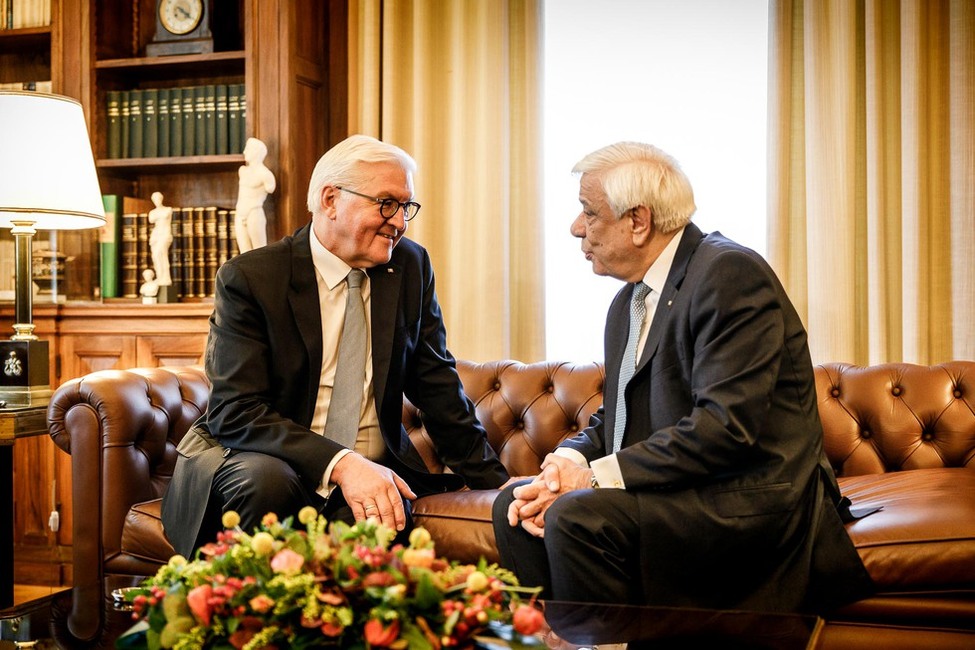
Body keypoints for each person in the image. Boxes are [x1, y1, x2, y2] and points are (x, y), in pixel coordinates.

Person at [492, 142, 874, 614]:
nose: (576, 229)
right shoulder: (628, 303)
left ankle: (614, 644)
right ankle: (563, 644)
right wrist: (564, 461)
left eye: (588, 213)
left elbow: (725, 429)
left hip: (744, 500)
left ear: (638, 221)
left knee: (576, 515)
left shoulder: (729, 273)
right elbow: (619, 416)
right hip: (678, 492)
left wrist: (590, 478)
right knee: (515, 506)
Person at [162, 134, 510, 557]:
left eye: (406, 207)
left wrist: (496, 482)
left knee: (382, 512)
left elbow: (435, 382)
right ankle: (256, 619)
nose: (399, 222)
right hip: (262, 461)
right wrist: (343, 463)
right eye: (386, 203)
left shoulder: (409, 266)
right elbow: (236, 411)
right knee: (266, 481)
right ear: (330, 200)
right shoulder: (252, 278)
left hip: (371, 476)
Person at [234, 137, 276, 253]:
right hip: (240, 214)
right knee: (243, 254)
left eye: (247, 149)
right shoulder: (242, 171)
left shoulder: (265, 175)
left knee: (259, 252)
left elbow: (270, 188)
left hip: (254, 213)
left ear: (256, 152)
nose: (244, 152)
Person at [148, 191, 173, 287]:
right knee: (155, 256)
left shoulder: (168, 210)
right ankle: (160, 277)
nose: (156, 201)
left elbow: (160, 217)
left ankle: (166, 278)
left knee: (162, 255)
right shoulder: (153, 212)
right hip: (156, 235)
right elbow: (151, 218)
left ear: (161, 199)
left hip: (164, 234)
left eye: (158, 198)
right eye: (154, 199)